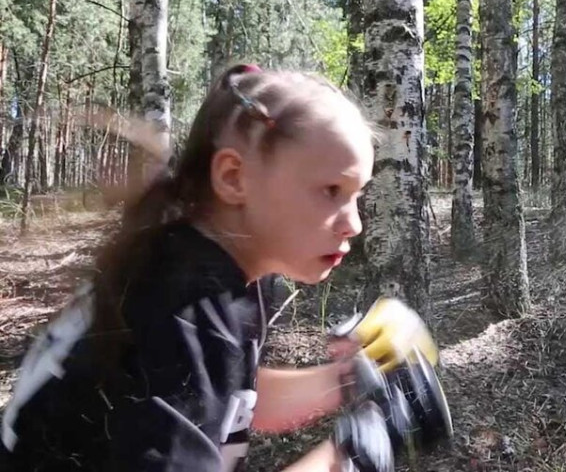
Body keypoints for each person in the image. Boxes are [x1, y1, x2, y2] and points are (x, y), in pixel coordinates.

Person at [0, 64, 439, 472]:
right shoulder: (183, 306)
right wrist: (353, 456)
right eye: (331, 190)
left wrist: (353, 378)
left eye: (357, 194)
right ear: (233, 177)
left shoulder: (227, 275)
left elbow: (233, 399)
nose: (355, 223)